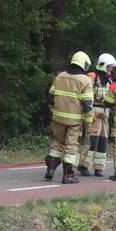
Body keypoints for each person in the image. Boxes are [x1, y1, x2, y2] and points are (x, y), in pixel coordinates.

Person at [45, 51, 94, 184]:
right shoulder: (85, 80)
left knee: (57, 143)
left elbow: (50, 97)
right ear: (84, 64)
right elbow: (87, 105)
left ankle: (50, 168)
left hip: (57, 119)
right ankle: (68, 175)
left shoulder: (60, 76)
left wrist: (54, 111)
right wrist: (88, 122)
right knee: (71, 147)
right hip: (74, 122)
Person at [79, 53, 116, 177]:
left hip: (105, 113)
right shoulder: (92, 77)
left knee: (103, 141)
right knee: (92, 140)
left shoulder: (110, 80)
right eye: (109, 66)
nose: (110, 69)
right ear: (103, 66)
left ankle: (99, 168)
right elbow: (84, 91)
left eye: (111, 67)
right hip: (94, 112)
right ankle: (83, 165)